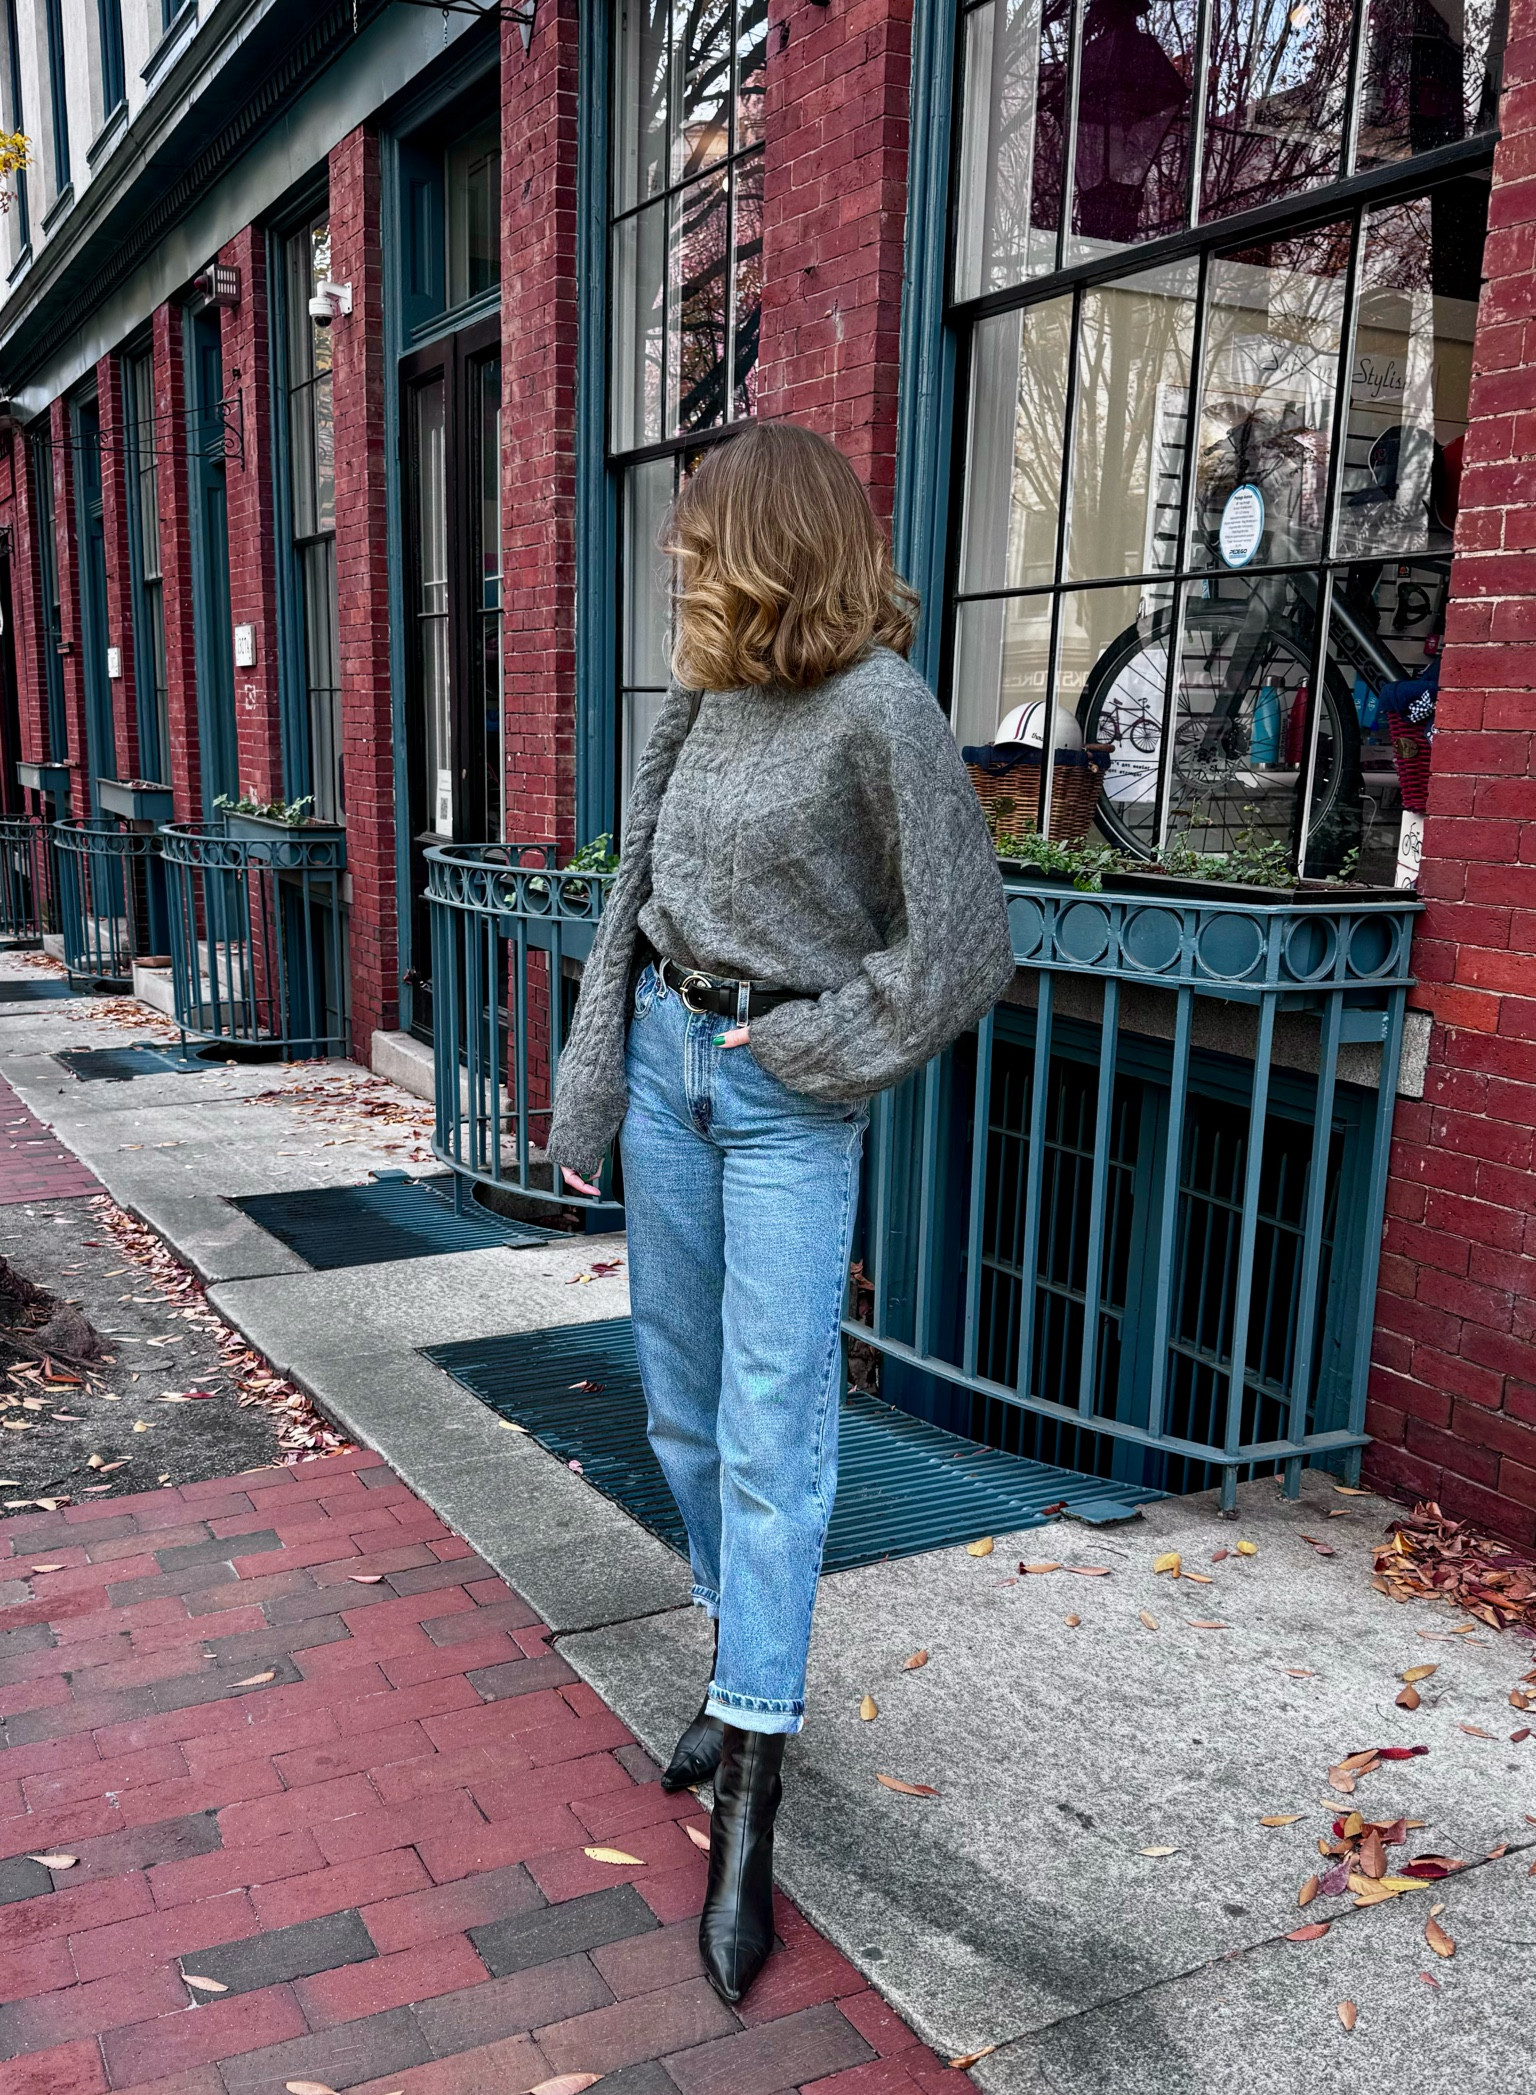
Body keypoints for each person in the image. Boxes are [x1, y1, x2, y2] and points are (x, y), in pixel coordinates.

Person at [545, 421, 1014, 2004]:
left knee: (771, 1426)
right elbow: (634, 894)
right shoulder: (705, 692)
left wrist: (819, 1044)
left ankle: (752, 1790)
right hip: (667, 1064)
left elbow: (962, 943)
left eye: (699, 540)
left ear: (768, 545)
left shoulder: (880, 708)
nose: (678, 560)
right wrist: (593, 1081)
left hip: (782, 1100)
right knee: (681, 1415)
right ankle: (739, 1658)